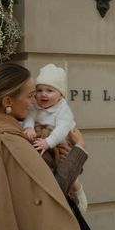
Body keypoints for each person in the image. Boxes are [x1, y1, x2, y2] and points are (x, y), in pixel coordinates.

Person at [0, 62, 89, 230]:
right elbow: (52, 189)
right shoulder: (5, 141)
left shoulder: (16, 132)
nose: (35, 101)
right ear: (7, 102)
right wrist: (79, 148)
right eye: (30, 95)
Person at [23, 63, 88, 213]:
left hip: (59, 142)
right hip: (44, 143)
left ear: (60, 94)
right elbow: (29, 116)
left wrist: (48, 142)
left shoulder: (63, 109)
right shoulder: (35, 107)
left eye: (50, 90)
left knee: (64, 166)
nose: (43, 94)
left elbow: (62, 129)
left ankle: (77, 188)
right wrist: (28, 127)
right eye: (39, 90)